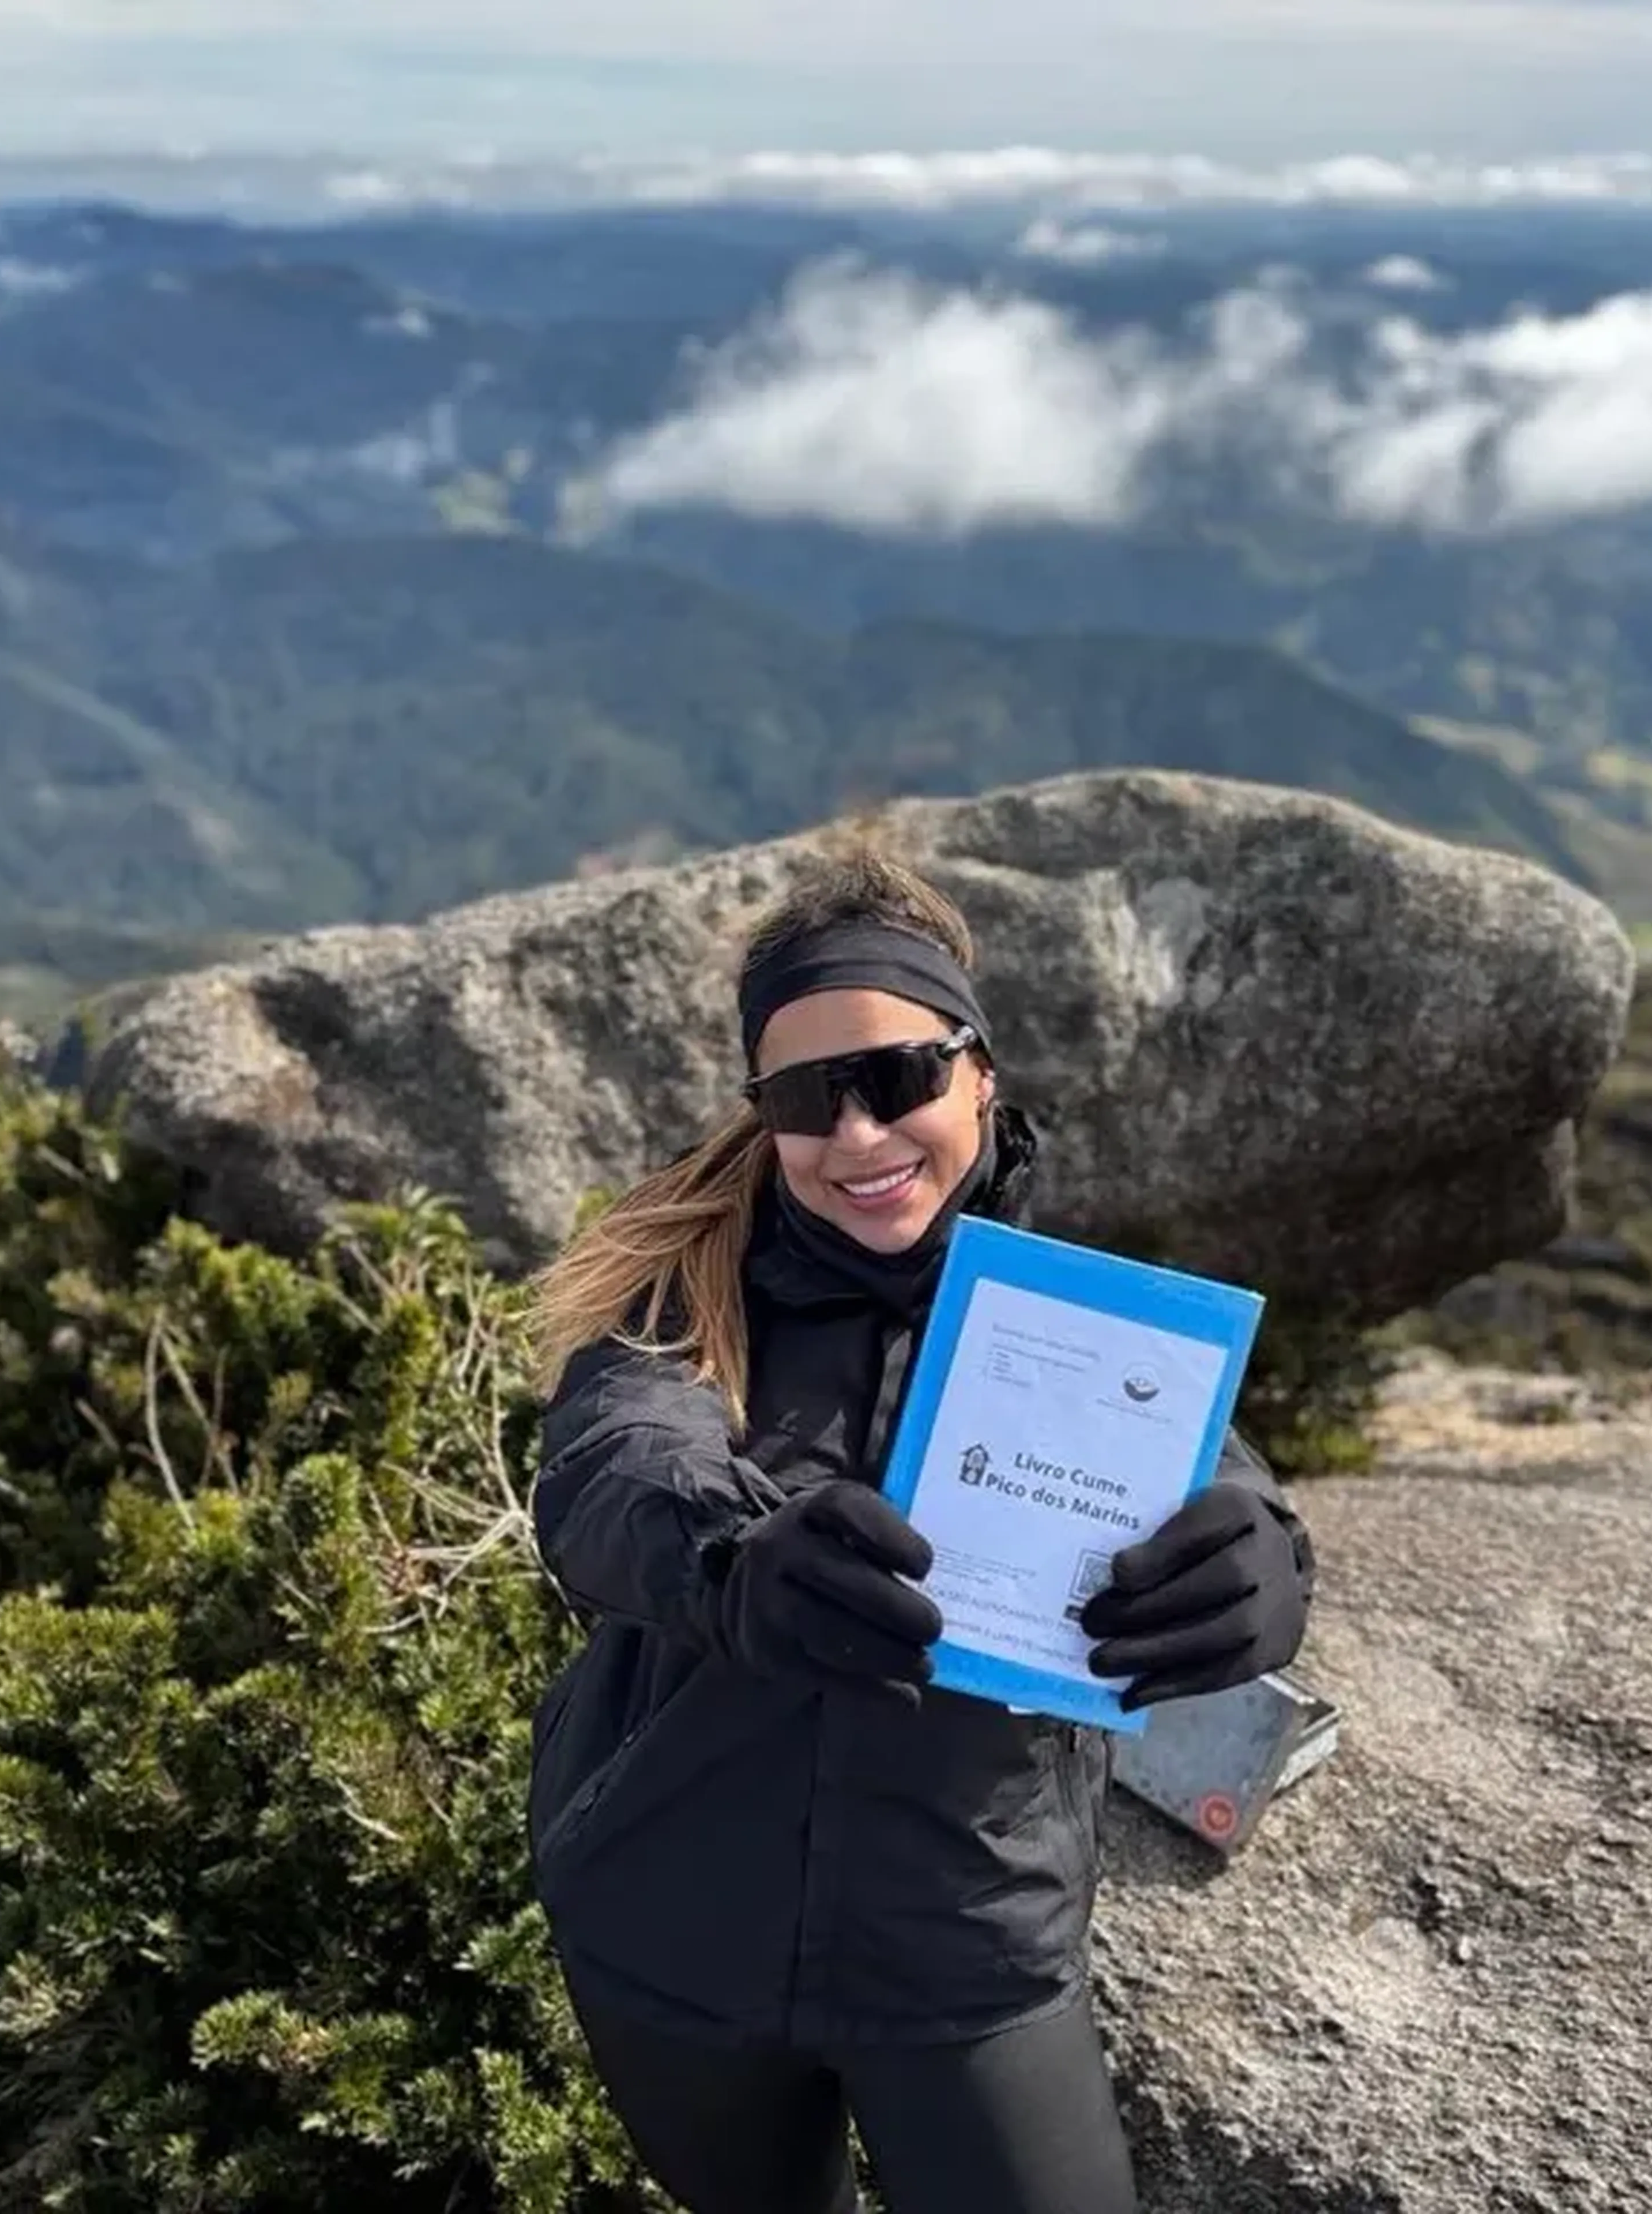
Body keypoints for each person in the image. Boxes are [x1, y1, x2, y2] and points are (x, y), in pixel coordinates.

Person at [525, 850, 1316, 2214]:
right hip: (674, 1932)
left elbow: (1212, 1482)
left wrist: (1263, 1559)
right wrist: (734, 1558)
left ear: (980, 1074)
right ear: (762, 1113)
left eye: (899, 1079)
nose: (860, 1136)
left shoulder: (1080, 1322)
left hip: (968, 1945)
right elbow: (613, 1469)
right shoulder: (679, 1298)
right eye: (805, 1098)